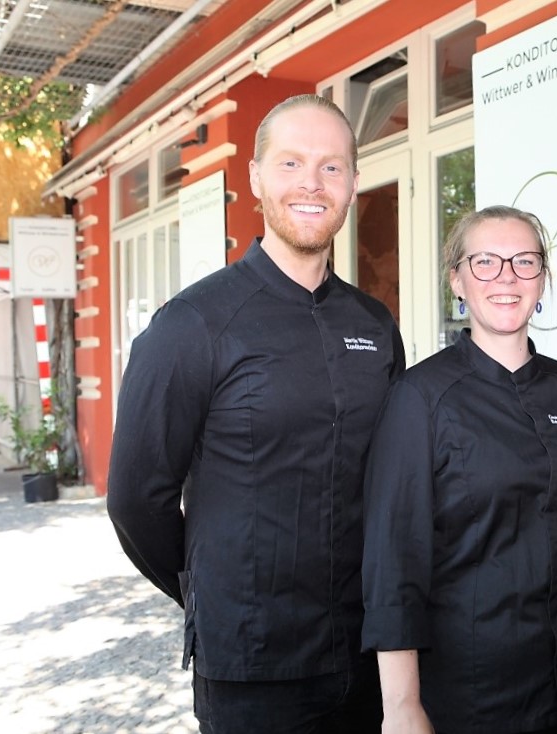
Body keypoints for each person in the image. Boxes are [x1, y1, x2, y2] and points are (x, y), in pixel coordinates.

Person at [107, 94, 404, 734]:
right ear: (255, 178)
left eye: (331, 166)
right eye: (291, 162)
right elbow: (135, 500)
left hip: (366, 654)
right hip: (251, 670)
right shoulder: (192, 324)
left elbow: (390, 479)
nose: (312, 183)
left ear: (353, 183)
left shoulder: (375, 325)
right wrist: (211, 591)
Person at [361, 205, 557, 734]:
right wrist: (402, 704)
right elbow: (393, 560)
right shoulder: (420, 398)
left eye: (524, 261)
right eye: (484, 261)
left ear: (542, 279)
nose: (506, 276)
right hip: (479, 694)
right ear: (457, 280)